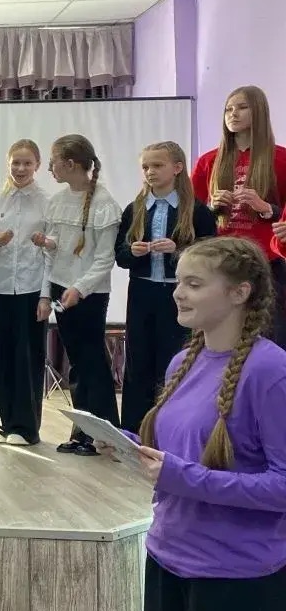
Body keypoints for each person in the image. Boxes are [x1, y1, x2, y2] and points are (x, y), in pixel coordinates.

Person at [129, 237, 286, 611]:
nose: (178, 293)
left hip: (236, 582)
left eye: (194, 284)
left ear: (240, 292)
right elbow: (178, 461)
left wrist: (184, 478)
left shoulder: (271, 372)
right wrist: (127, 450)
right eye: (179, 282)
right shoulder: (183, 361)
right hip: (168, 564)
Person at [115, 142, 217, 433]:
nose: (150, 172)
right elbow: (120, 256)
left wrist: (180, 250)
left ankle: (171, 431)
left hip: (179, 296)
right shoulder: (134, 209)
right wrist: (132, 252)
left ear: (177, 168)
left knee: (174, 360)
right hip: (142, 293)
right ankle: (134, 430)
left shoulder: (197, 210)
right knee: (138, 361)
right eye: (145, 167)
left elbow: (211, 255)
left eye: (157, 165)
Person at [39, 133, 122, 455]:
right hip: (64, 288)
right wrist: (48, 290)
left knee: (92, 363)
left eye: (54, 162)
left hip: (89, 293)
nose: (50, 168)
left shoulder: (103, 203)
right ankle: (83, 431)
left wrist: (80, 288)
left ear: (71, 164)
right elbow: (55, 250)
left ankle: (104, 434)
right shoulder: (58, 200)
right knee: (77, 363)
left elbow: (104, 258)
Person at [193, 85, 286, 344]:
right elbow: (190, 217)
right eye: (228, 109)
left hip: (267, 263)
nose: (233, 114)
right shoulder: (208, 161)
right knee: (224, 335)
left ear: (259, 112)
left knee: (270, 335)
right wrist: (211, 208)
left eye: (242, 107)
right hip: (221, 262)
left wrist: (267, 209)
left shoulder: (281, 159)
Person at [0, 139, 49, 446]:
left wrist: (46, 295)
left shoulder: (47, 202)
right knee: (0, 354)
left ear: (37, 165)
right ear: (8, 164)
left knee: (28, 356)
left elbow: (53, 253)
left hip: (31, 286)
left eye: (27, 163)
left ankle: (25, 427)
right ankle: (1, 421)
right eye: (15, 163)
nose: (20, 169)